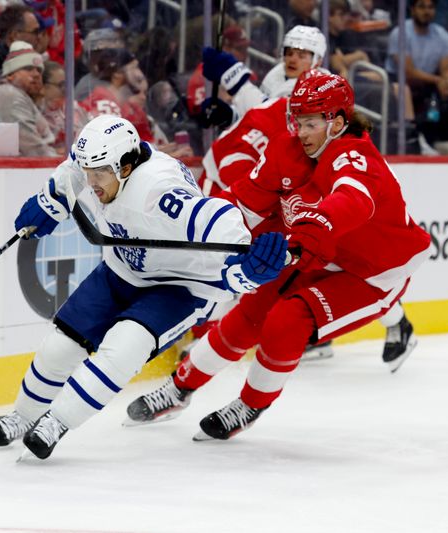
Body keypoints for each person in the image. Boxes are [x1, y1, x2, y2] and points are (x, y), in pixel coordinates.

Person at [125, 72, 432, 440]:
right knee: (247, 314)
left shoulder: (355, 156)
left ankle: (250, 404)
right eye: (297, 121)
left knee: (286, 321)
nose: (301, 132)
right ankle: (179, 389)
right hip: (315, 254)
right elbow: (244, 203)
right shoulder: (286, 150)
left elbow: (350, 200)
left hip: (371, 272)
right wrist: (190, 223)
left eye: (311, 123)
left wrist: (306, 235)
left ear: (336, 122)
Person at [0, 114, 289, 460]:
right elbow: (73, 166)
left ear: (126, 167)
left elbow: (216, 218)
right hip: (122, 269)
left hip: (180, 286)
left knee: (123, 348)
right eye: (90, 172)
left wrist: (246, 270)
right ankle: (23, 416)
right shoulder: (106, 160)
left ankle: (56, 422)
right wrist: (51, 200)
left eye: (99, 174)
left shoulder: (159, 192)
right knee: (59, 346)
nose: (91, 182)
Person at [386, 0, 448, 154]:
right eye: (421, 7)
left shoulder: (442, 35)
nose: (426, 11)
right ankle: (411, 142)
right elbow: (408, 72)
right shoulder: (400, 33)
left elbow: (447, 67)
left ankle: (445, 143)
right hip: (399, 82)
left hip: (428, 83)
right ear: (412, 10)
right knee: (407, 90)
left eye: (430, 7)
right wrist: (439, 80)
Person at [0, 40, 57, 156]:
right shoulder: (8, 95)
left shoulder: (21, 96)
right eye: (28, 69)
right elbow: (32, 149)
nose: (36, 74)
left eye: (39, 70)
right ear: (10, 75)